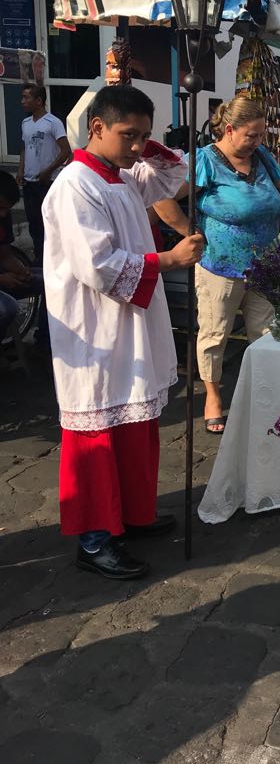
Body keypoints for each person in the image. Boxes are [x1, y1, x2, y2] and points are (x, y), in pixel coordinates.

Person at [42, 85, 204, 580]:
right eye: (127, 135)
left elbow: (175, 175)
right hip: (93, 329)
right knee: (96, 434)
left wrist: (149, 144)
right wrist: (168, 259)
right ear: (95, 128)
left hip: (130, 323)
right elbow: (97, 266)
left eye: (143, 137)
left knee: (135, 426)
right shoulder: (75, 185)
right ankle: (94, 540)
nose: (137, 147)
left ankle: (131, 515)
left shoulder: (122, 177)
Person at [182, 96, 280, 434]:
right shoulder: (203, 160)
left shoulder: (262, 156)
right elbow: (164, 196)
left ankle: (264, 392)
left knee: (267, 332)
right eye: (251, 135)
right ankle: (213, 397)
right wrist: (187, 232)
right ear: (230, 129)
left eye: (261, 135)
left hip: (264, 264)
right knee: (214, 333)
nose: (257, 142)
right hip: (219, 264)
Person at [16, 84, 72, 265]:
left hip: (48, 181)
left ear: (39, 101)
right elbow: (24, 148)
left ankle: (55, 258)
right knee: (34, 223)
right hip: (30, 181)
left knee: (50, 222)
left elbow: (65, 151)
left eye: (27, 98)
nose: (23, 102)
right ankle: (40, 259)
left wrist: (48, 170)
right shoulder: (25, 123)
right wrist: (20, 170)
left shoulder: (53, 122)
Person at [0, 169, 46, 338]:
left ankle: (44, 341)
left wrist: (21, 270)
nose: (3, 214)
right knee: (7, 308)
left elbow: (4, 254)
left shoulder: (4, 216)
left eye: (7, 209)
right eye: (1, 207)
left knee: (49, 279)